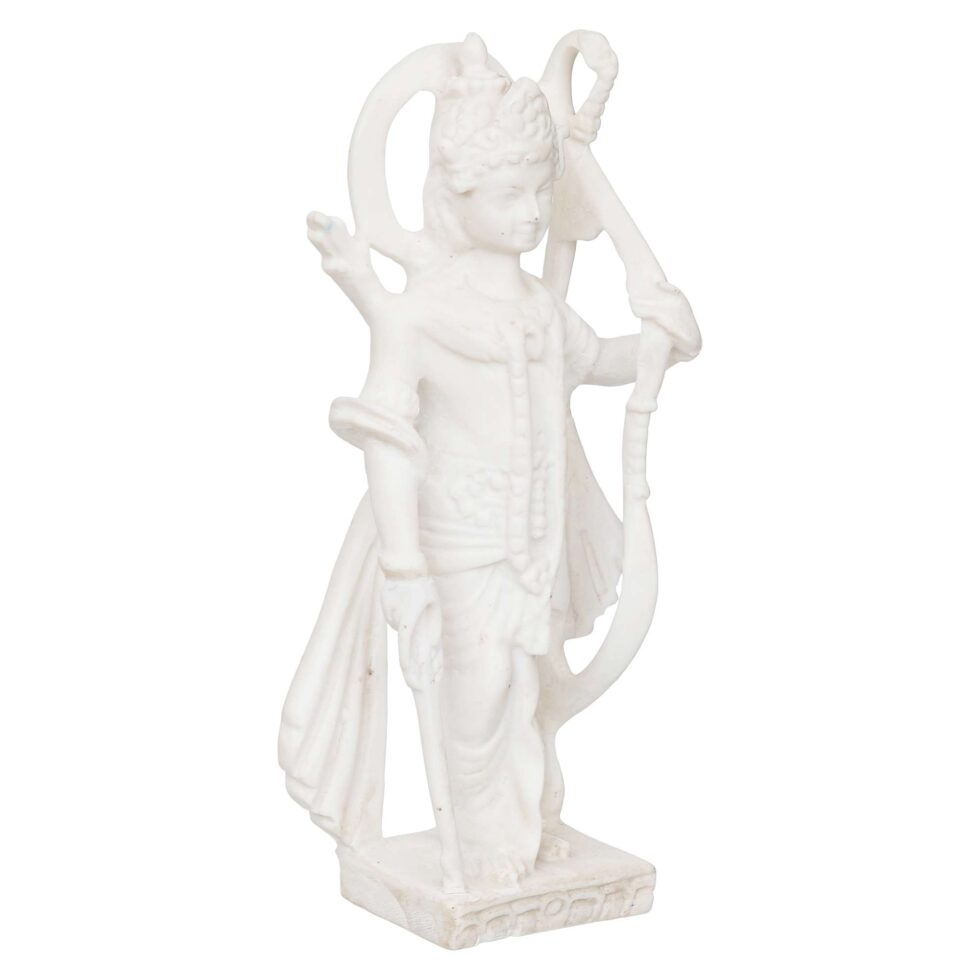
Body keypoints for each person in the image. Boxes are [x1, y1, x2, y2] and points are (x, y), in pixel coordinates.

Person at [279, 35, 677, 889]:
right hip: (458, 539)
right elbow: (387, 437)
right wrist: (404, 568)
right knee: (478, 690)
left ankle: (522, 829)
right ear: (458, 196)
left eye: (539, 190)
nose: (532, 212)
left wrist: (657, 345)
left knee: (524, 692)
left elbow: (599, 359)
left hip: (533, 545)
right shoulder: (422, 314)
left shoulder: (540, 311)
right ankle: (478, 844)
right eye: (510, 193)